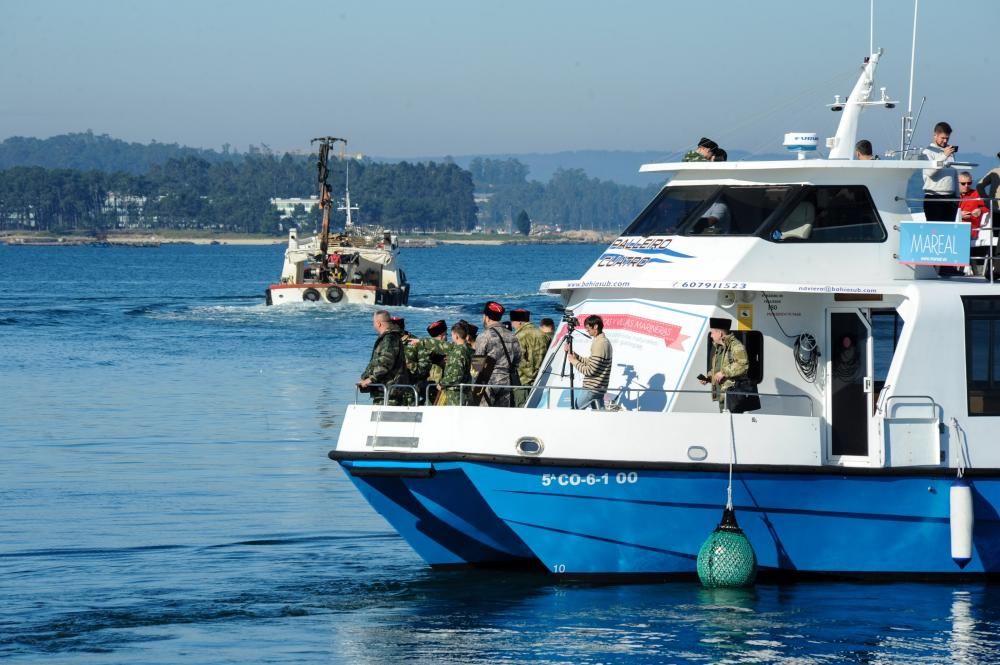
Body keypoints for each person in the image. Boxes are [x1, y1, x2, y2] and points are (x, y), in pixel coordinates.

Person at [474, 301, 522, 407]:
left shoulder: (484, 336)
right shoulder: (512, 336)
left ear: (486, 317)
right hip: (506, 381)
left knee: (484, 416)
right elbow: (518, 360)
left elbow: (477, 366)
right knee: (503, 416)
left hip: (487, 383)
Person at [357, 310, 410, 406]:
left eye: (373, 322)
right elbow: (375, 362)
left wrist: (370, 379)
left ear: (378, 323)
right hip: (384, 389)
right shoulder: (388, 337)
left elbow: (386, 362)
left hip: (389, 389)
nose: (373, 325)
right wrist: (364, 377)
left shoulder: (389, 338)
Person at [698, 317, 749, 412]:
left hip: (732, 395)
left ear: (720, 333)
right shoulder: (719, 348)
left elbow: (743, 365)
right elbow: (718, 370)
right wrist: (709, 378)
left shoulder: (735, 345)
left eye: (712, 332)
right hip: (723, 395)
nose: (711, 336)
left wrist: (724, 372)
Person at [562, 314, 612, 410]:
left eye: (588, 328)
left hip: (591, 388)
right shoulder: (603, 341)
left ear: (596, 326)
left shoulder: (600, 344)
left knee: (575, 412)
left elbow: (589, 371)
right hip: (599, 388)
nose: (586, 330)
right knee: (600, 417)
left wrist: (574, 361)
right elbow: (591, 362)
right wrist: (574, 355)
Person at [921, 122, 959, 222]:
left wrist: (957, 196)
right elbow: (929, 172)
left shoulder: (949, 151)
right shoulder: (927, 152)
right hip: (934, 197)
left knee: (949, 231)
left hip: (951, 198)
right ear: (935, 135)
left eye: (947, 138)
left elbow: (954, 173)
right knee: (935, 231)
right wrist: (944, 156)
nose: (945, 141)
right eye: (943, 138)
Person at [510, 309, 549, 406]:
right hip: (540, 379)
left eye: (513, 321)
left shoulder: (518, 336)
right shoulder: (543, 335)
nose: (512, 324)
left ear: (519, 322)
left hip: (523, 381)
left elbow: (518, 360)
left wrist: (530, 374)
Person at [438, 322, 473, 406]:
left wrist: (442, 383)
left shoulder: (458, 352)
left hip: (456, 394)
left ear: (456, 336)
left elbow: (456, 375)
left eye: (452, 335)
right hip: (465, 391)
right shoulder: (468, 349)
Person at [959, 171, 989, 241]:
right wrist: (959, 215)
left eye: (969, 183)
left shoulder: (976, 194)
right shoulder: (952, 196)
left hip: (970, 230)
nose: (966, 185)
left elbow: (988, 206)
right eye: (963, 183)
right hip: (954, 229)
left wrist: (980, 210)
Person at [976, 154, 1000, 224]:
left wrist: (988, 202)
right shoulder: (994, 172)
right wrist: (988, 202)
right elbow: (979, 186)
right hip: (996, 209)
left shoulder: (995, 171)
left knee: (995, 232)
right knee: (995, 232)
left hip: (995, 208)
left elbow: (979, 186)